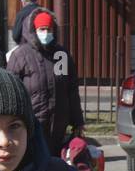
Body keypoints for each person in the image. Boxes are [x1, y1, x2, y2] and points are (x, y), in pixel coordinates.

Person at [7, 9, 86, 154]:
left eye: (49, 29)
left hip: (58, 125)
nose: (46, 33)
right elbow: (11, 91)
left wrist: (77, 121)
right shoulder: (21, 55)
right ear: (34, 30)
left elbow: (70, 89)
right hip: (32, 124)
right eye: (42, 29)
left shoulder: (61, 55)